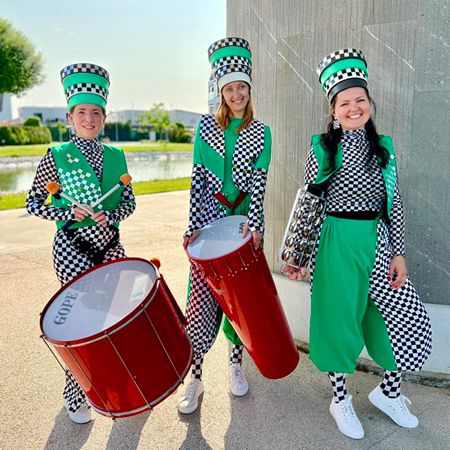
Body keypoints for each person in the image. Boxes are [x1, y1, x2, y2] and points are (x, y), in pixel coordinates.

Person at [287, 49, 432, 439]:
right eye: (344, 103)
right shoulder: (322, 147)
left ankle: (390, 391)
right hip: (335, 241)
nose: (353, 108)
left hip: (378, 240)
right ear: (333, 110)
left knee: (401, 318)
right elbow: (310, 201)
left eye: (360, 100)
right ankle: (340, 399)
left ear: (370, 104)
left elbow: (394, 202)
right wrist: (298, 257)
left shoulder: (385, 147)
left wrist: (398, 252)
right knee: (338, 320)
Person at [26, 63, 136, 424]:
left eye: (96, 112)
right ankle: (76, 395)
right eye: (82, 112)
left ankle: (114, 383)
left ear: (104, 117)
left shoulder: (117, 156)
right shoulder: (55, 157)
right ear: (71, 116)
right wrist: (66, 212)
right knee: (80, 326)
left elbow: (129, 202)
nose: (89, 118)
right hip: (73, 251)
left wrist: (113, 215)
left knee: (114, 318)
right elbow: (33, 203)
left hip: (111, 248)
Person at [178, 37, 272, 414]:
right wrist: (193, 226)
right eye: (229, 88)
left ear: (250, 90)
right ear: (221, 92)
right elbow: (198, 178)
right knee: (200, 299)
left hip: (241, 227)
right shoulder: (205, 127)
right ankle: (195, 378)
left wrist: (257, 226)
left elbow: (260, 186)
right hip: (208, 222)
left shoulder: (261, 131)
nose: (236, 93)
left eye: (241, 87)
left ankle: (236, 365)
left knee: (240, 301)